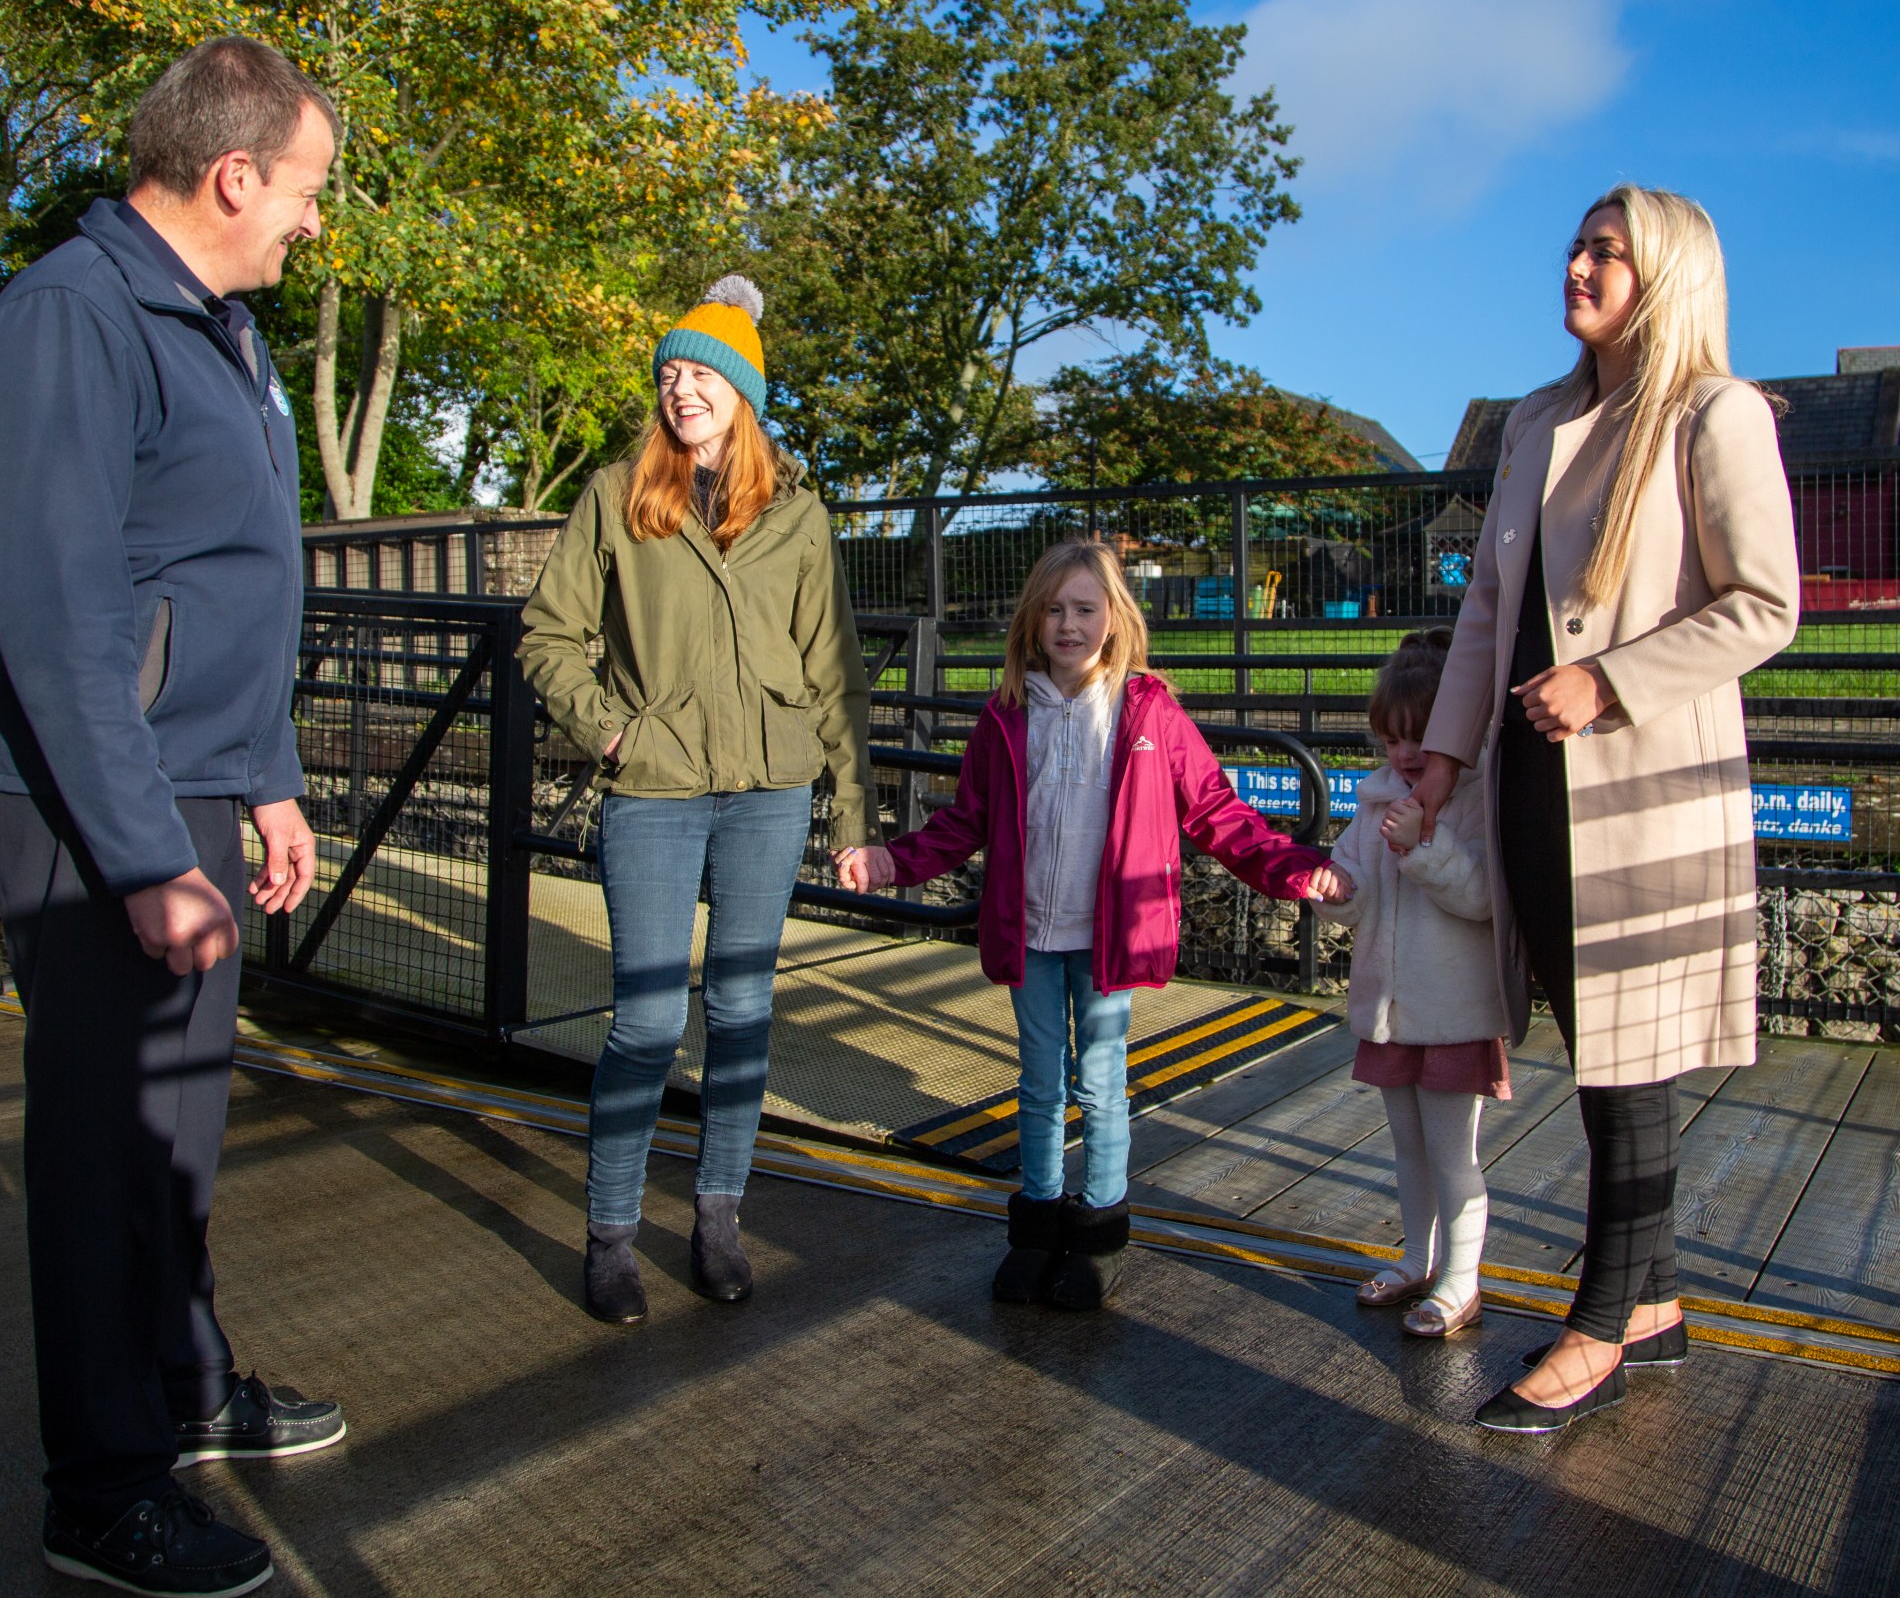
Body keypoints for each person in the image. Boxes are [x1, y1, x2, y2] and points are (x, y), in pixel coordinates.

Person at [0, 36, 345, 1598]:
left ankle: (187, 1384)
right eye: (310, 192)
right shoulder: (76, 312)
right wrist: (141, 857)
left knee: (181, 1136)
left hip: (199, 784)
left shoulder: (223, 329)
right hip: (103, 804)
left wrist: (265, 776)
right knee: (104, 1150)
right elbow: (64, 625)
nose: (315, 226)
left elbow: (231, 580)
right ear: (234, 173)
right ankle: (102, 1483)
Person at [1409, 184, 1799, 1433]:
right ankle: (1662, 1297)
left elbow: (1765, 605)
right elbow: (1487, 615)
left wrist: (1611, 681)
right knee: (1598, 1042)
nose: (1576, 265)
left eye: (1606, 251)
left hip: (1642, 790)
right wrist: (1440, 755)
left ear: (1668, 272)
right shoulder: (1535, 421)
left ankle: (1601, 1323)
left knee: (1631, 1062)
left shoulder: (1714, 414)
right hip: (1532, 779)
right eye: (1575, 243)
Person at [837, 541, 1352, 1308]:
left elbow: (1215, 812)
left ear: (1114, 619)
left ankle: (1100, 1231)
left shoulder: (1151, 712)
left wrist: (1290, 869)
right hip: (1031, 934)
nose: (1068, 624)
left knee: (1102, 1083)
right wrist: (889, 862)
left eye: (1084, 609)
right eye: (1053, 609)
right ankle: (1038, 1225)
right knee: (1039, 1083)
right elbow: (963, 821)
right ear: (1032, 621)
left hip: (1111, 936)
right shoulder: (1007, 717)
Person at [519, 276, 875, 1326]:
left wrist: (852, 817)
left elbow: (837, 675)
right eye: (670, 372)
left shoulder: (800, 520)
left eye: (702, 371)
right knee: (642, 1018)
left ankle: (718, 1218)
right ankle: (613, 1234)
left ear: (744, 390)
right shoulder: (619, 496)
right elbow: (545, 636)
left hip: (769, 787)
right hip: (656, 788)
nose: (681, 388)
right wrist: (613, 729)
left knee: (743, 1009)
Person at [1310, 630, 1509, 1340]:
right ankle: (1418, 1260)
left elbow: (1483, 898)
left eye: (1421, 735)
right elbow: (1354, 889)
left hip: (1455, 1011)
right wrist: (1333, 891)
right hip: (1390, 1009)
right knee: (1408, 1147)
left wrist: (1425, 843)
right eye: (1393, 738)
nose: (1405, 753)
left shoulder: (1478, 799)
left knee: (1455, 1153)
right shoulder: (1373, 801)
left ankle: (1463, 1278)